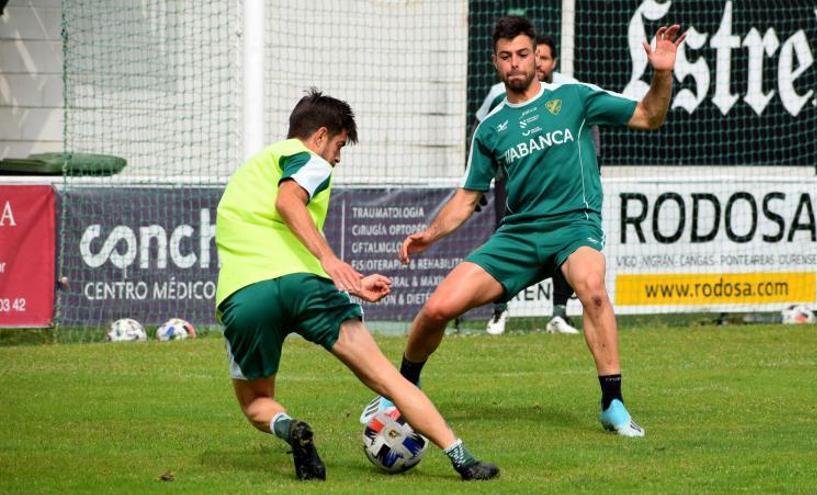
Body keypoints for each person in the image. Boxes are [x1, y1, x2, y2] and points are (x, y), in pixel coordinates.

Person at [362, 16, 684, 437]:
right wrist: (430, 234)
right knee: (437, 308)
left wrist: (662, 73)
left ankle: (613, 405)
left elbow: (649, 116)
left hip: (574, 225)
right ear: (495, 62)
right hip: (517, 236)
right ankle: (403, 389)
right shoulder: (491, 128)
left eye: (522, 54)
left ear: (537, 58)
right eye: (505, 56)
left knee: (591, 287)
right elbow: (467, 197)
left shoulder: (574, 97)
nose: (515, 63)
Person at [215, 88, 499, 481]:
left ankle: (289, 428)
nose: (338, 157)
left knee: (257, 402)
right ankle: (463, 458)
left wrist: (355, 284)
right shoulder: (308, 159)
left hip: (245, 295)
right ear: (320, 136)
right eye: (339, 144)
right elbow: (288, 201)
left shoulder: (247, 173)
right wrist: (330, 261)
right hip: (306, 287)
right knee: (388, 379)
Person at [476, 34, 595, 336]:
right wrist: (479, 181)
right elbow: (480, 132)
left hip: (561, 190)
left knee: (566, 248)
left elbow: (589, 132)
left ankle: (559, 313)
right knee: (505, 243)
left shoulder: (568, 90)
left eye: (541, 57)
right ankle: (499, 314)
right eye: (532, 56)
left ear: (551, 62)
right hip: (511, 183)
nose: (536, 63)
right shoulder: (497, 93)